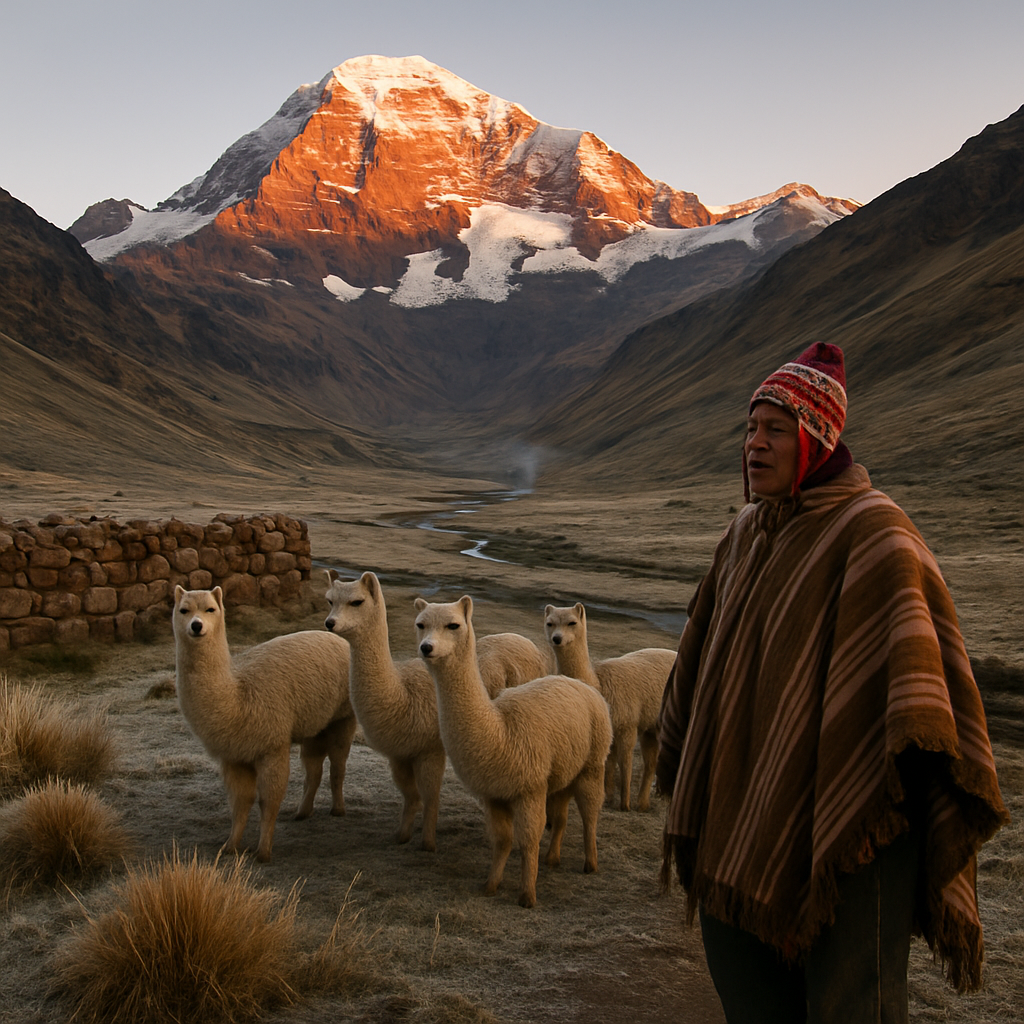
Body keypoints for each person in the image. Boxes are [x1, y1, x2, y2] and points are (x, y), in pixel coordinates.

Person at [656, 342, 1008, 1024]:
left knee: (852, 1004)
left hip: (860, 821)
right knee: (749, 991)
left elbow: (920, 698)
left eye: (775, 430)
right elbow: (704, 667)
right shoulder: (744, 535)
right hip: (744, 810)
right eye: (749, 429)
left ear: (817, 439)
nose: (754, 445)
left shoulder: (876, 534)